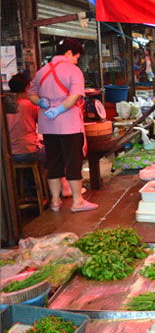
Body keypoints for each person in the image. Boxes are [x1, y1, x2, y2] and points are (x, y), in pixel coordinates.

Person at [28, 38, 97, 213]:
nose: (76, 61)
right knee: (73, 162)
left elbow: (31, 94)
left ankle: (55, 202)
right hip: (69, 125)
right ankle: (77, 201)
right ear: (68, 53)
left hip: (47, 126)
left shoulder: (41, 71)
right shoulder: (73, 71)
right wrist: (59, 109)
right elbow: (75, 96)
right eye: (76, 57)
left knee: (54, 162)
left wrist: (41, 103)